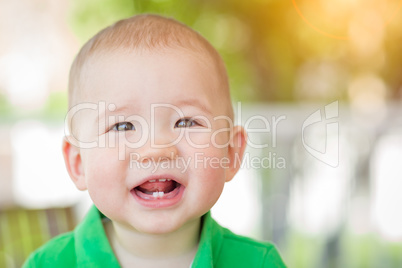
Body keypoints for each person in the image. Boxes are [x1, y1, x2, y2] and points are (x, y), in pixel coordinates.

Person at [23, 14, 286, 267]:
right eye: (123, 125)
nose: (157, 149)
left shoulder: (259, 263)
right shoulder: (46, 264)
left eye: (185, 122)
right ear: (78, 163)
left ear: (230, 152)